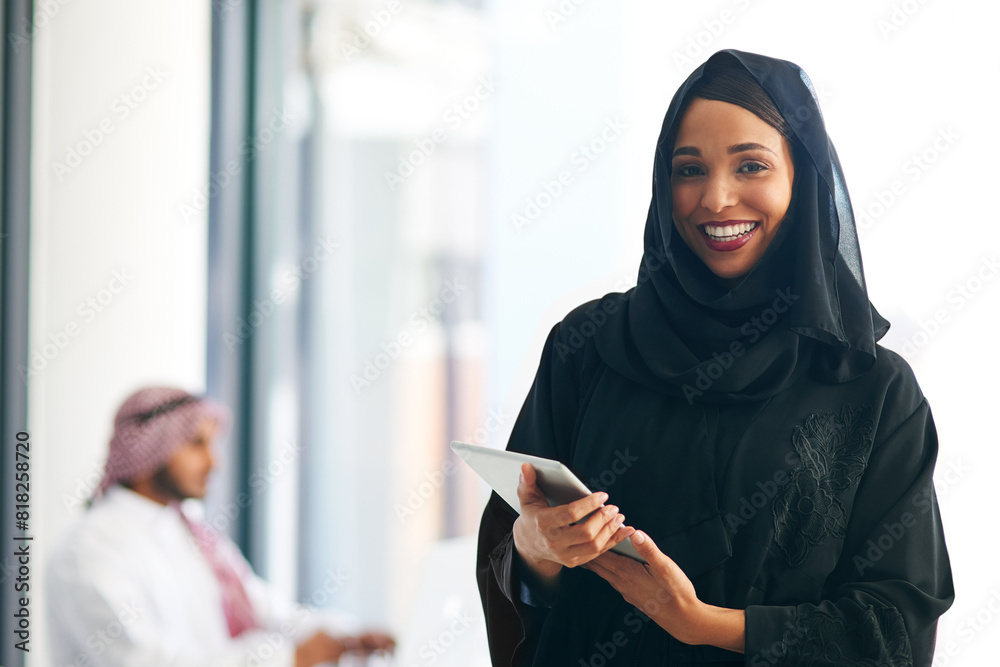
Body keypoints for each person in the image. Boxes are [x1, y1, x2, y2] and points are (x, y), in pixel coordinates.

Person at [476, 49, 954, 666]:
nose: (716, 199)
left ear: (801, 180)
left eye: (750, 165)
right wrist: (536, 547)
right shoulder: (588, 345)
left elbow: (897, 628)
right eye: (688, 169)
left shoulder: (870, 386)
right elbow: (511, 551)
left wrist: (706, 624)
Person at [47, 386, 395, 667]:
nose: (215, 461)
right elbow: (141, 659)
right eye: (196, 444)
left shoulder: (194, 536)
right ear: (145, 452)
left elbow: (268, 611)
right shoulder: (89, 549)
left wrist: (344, 637)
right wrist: (289, 659)